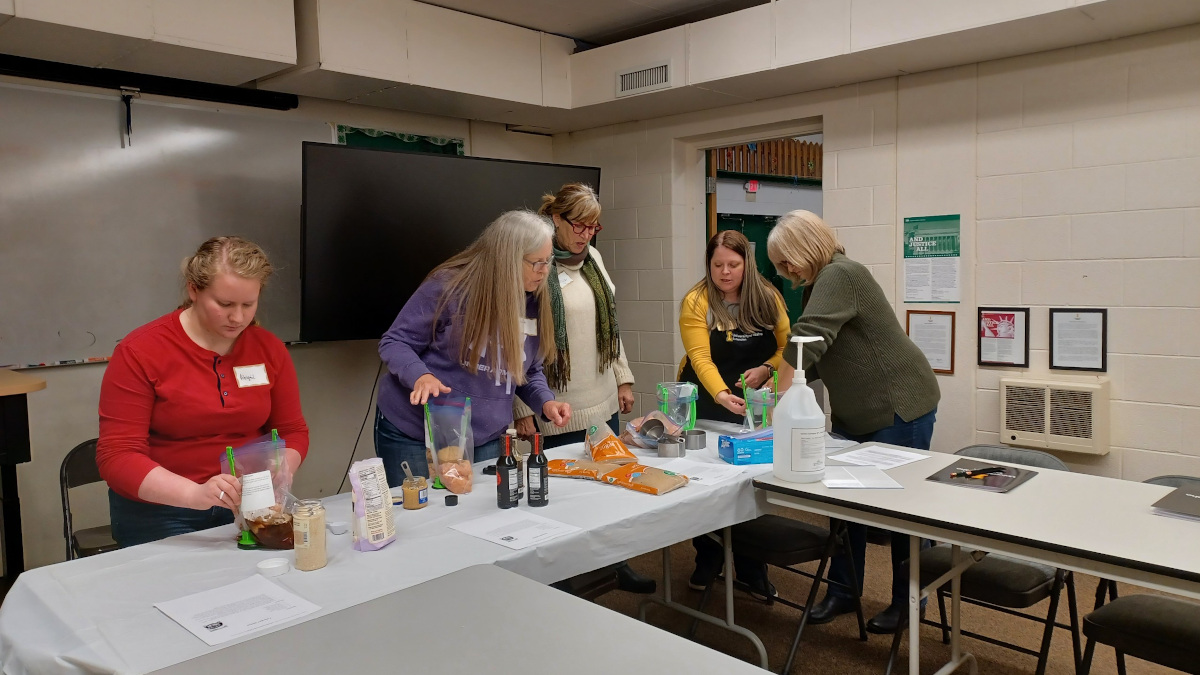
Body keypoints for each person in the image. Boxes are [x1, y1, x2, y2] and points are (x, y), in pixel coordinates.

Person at [767, 209, 940, 634]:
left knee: (900, 511)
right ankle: (844, 591)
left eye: (786, 261)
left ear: (805, 247)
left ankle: (908, 601)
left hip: (899, 406)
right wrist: (771, 374)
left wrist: (775, 397)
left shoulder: (841, 274)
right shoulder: (819, 285)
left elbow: (808, 338)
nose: (785, 272)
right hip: (855, 413)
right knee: (844, 508)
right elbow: (828, 353)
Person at [97, 236, 309, 548]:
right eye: (224, 304)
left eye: (248, 305)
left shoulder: (268, 349)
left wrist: (279, 471)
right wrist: (194, 494)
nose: (237, 318)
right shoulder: (141, 351)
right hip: (163, 513)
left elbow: (292, 431)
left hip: (250, 504)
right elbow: (117, 457)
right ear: (193, 290)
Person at [512, 183, 651, 593]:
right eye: (579, 224)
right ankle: (563, 575)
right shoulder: (536, 267)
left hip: (601, 395)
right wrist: (521, 409)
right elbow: (516, 343)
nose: (585, 234)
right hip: (557, 404)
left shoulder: (593, 259)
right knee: (565, 493)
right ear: (555, 218)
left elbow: (610, 322)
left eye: (593, 227)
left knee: (608, 486)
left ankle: (616, 562)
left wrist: (623, 377)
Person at [375, 210, 572, 489]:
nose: (544, 271)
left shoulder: (534, 300)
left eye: (547, 261)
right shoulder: (449, 286)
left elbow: (528, 369)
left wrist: (546, 402)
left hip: (485, 437)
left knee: (476, 520)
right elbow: (396, 341)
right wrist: (420, 376)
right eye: (536, 263)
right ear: (506, 258)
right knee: (420, 520)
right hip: (417, 434)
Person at [678, 230, 790, 600]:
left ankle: (751, 565)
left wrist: (768, 369)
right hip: (710, 403)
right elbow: (700, 358)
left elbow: (785, 349)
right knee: (707, 485)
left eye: (733, 265)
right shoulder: (697, 301)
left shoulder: (769, 297)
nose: (725, 273)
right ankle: (707, 557)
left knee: (749, 484)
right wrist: (722, 394)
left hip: (754, 405)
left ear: (747, 264)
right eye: (717, 265)